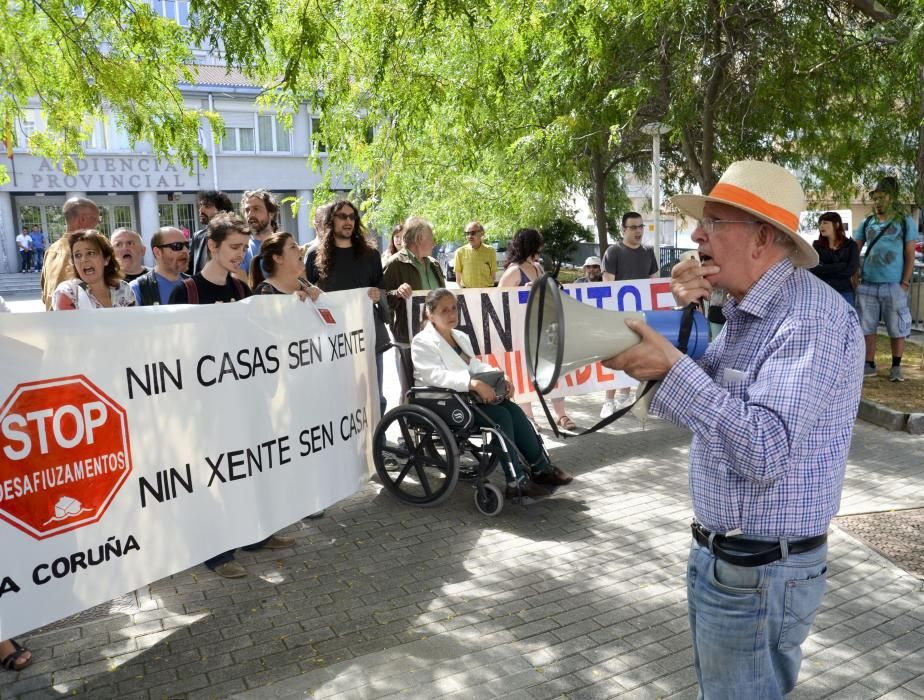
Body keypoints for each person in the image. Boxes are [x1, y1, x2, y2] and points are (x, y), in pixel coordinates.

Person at [603, 160, 863, 699]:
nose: (696, 236)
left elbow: (764, 452)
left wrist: (671, 367)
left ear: (763, 238)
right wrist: (674, 335)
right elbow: (707, 405)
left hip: (759, 573)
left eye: (715, 223)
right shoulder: (749, 312)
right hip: (735, 566)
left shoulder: (809, 320)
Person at [168, 212, 295, 577]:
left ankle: (255, 535)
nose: (241, 254)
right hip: (204, 403)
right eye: (234, 247)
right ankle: (218, 553)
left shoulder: (242, 290)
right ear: (212, 246)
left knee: (248, 465)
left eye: (244, 247)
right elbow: (174, 350)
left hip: (241, 396)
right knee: (215, 474)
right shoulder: (187, 291)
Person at [413, 288, 573, 499]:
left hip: (464, 398)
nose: (452, 314)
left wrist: (501, 378)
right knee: (500, 417)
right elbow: (434, 376)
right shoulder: (422, 341)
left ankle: (540, 468)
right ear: (430, 314)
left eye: (454, 308)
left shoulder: (459, 336)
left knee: (514, 410)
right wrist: (473, 384)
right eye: (445, 310)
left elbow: (475, 365)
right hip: (441, 401)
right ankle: (515, 481)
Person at [306, 200, 390, 415]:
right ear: (330, 221)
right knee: (339, 397)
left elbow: (381, 289)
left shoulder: (370, 255)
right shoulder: (315, 255)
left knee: (374, 395)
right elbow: (307, 292)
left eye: (352, 217)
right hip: (332, 340)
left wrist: (376, 295)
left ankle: (376, 442)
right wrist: (312, 294)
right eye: (342, 216)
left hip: (367, 337)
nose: (348, 221)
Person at [497, 228, 576, 431]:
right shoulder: (514, 271)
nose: (539, 251)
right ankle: (529, 417)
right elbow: (499, 300)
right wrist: (522, 292)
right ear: (529, 247)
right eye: (537, 247)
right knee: (524, 374)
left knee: (554, 372)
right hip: (522, 332)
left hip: (542, 329)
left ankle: (561, 414)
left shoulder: (538, 268)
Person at [853, 176, 917, 382]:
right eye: (875, 197)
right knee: (866, 325)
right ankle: (869, 364)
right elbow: (854, 249)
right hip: (868, 283)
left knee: (896, 326)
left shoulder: (905, 220)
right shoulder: (868, 221)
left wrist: (905, 282)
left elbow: (910, 253)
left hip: (894, 284)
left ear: (892, 198)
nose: (877, 201)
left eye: (882, 197)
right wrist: (854, 275)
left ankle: (896, 367)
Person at [600, 212, 660, 418]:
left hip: (642, 317)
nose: (638, 231)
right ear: (623, 230)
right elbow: (608, 286)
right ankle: (609, 400)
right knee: (616, 356)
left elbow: (655, 284)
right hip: (619, 316)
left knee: (637, 357)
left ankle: (628, 398)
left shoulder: (648, 252)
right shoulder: (613, 252)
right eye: (633, 227)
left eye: (641, 227)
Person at [382, 216, 446, 402]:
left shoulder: (433, 264)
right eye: (431, 237)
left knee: (434, 386)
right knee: (410, 389)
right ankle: (408, 427)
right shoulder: (395, 264)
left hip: (436, 336)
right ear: (419, 239)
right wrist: (396, 293)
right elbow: (381, 300)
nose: (434, 242)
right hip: (408, 338)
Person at [51, 230, 135, 310]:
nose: (83, 259)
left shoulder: (123, 289)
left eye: (91, 253)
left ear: (106, 259)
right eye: (78, 255)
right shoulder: (68, 292)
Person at [41, 197, 101, 309]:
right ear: (82, 220)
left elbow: (45, 296)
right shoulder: (91, 251)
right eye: (96, 219)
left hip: (54, 321)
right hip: (80, 322)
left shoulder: (51, 250)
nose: (98, 224)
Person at [250, 231, 320, 302]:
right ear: (278, 258)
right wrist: (291, 301)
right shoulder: (265, 290)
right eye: (293, 247)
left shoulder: (303, 283)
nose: (301, 249)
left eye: (297, 245)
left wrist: (316, 293)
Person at [129, 227, 190, 306]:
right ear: (157, 252)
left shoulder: (194, 285)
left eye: (187, 245)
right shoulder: (137, 288)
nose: (185, 251)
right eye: (177, 246)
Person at [810, 211, 859, 307]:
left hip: (844, 292)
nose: (821, 226)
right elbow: (814, 268)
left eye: (825, 223)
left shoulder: (850, 245)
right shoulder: (817, 245)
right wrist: (840, 265)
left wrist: (825, 269)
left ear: (836, 225)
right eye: (820, 223)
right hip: (823, 292)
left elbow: (851, 270)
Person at [188, 190, 234, 276]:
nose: (201, 210)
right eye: (200, 205)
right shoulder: (198, 236)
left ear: (222, 210)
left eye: (207, 206)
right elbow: (190, 269)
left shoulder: (233, 236)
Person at [240, 189, 279, 275]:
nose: (250, 214)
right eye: (247, 210)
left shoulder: (286, 245)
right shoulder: (242, 249)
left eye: (256, 209)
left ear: (271, 213)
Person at [453, 220, 497, 288]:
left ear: (481, 233)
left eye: (473, 233)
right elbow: (458, 279)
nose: (470, 236)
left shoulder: (491, 251)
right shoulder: (460, 252)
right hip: (467, 293)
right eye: (467, 233)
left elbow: (493, 276)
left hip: (486, 293)